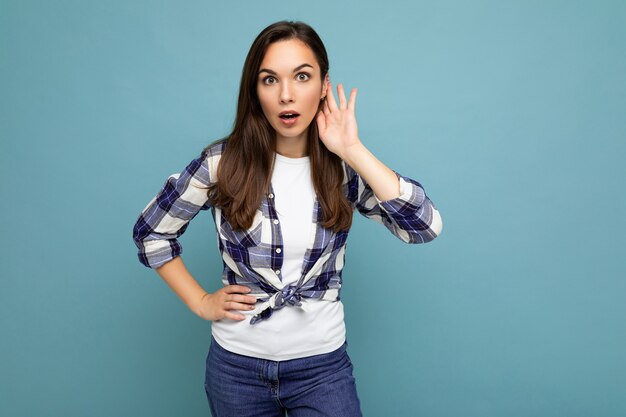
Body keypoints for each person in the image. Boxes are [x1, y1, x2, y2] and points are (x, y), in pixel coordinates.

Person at [132, 19, 443, 417]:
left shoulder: (343, 169)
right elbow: (151, 232)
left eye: (301, 76)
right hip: (235, 371)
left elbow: (423, 227)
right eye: (269, 80)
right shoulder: (222, 164)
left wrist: (352, 149)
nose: (286, 95)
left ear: (324, 86)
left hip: (322, 370)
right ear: (255, 90)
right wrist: (201, 302)